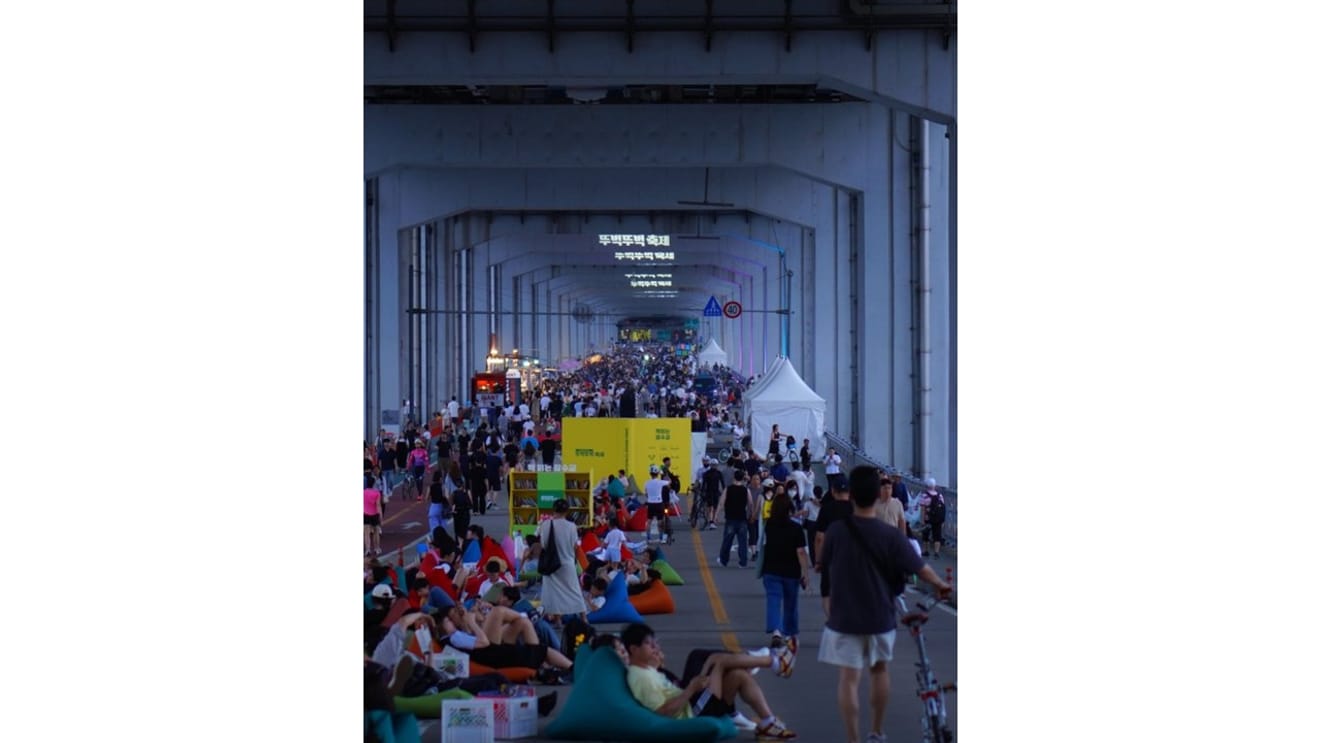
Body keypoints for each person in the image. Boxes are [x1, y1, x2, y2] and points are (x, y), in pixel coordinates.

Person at [818, 465, 953, 743]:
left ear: (852, 495)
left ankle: (853, 738)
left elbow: (824, 567)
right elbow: (921, 568)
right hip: (881, 615)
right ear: (879, 493)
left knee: (849, 678)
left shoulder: (837, 532)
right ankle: (877, 732)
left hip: (845, 617)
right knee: (879, 670)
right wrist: (941, 585)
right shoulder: (890, 536)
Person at [621, 623, 797, 739]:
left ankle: (768, 722)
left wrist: (660, 666)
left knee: (736, 674)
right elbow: (661, 713)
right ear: (634, 649)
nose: (655, 648)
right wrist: (691, 689)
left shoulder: (646, 669)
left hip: (691, 701)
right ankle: (772, 661)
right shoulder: (639, 677)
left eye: (655, 644)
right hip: (692, 712)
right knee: (717, 661)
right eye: (649, 645)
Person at [761, 491, 810, 653]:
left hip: (771, 570)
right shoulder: (796, 528)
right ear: (790, 508)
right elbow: (801, 552)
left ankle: (776, 631)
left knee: (773, 600)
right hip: (791, 572)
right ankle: (790, 634)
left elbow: (764, 546)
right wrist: (805, 574)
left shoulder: (769, 526)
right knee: (791, 603)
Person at [536, 499, 590, 624]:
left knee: (553, 593)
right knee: (575, 591)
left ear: (553, 509)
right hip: (567, 563)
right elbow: (575, 545)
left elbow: (543, 544)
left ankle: (558, 620)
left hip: (551, 564)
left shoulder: (545, 525)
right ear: (567, 511)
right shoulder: (571, 526)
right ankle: (583, 617)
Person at [813, 475, 854, 617]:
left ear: (832, 491)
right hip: (853, 559)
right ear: (849, 491)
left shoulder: (826, 509)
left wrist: (818, 561)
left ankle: (833, 622)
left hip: (830, 559)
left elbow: (819, 538)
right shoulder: (857, 509)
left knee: (827, 593)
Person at [715, 469, 752, 568]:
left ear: (734, 477)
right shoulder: (746, 490)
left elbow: (721, 503)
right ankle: (743, 562)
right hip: (742, 518)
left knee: (727, 541)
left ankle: (724, 561)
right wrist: (750, 515)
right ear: (743, 478)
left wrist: (716, 515)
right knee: (742, 542)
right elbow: (750, 504)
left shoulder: (728, 489)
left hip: (730, 518)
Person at [919, 477, 948, 560]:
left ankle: (926, 551)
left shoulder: (924, 495)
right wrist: (942, 520)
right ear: (935, 486)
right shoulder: (940, 496)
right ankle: (936, 552)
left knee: (926, 535)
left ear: (927, 485)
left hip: (928, 518)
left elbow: (923, 509)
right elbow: (942, 508)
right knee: (937, 535)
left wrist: (922, 520)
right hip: (938, 519)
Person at [643, 464, 666, 542]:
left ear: (650, 473)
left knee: (649, 521)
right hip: (659, 503)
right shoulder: (660, 482)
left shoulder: (646, 483)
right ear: (657, 474)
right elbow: (669, 482)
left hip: (650, 503)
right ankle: (661, 538)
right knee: (660, 520)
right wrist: (662, 474)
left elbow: (646, 494)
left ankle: (648, 538)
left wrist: (650, 497)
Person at [364, 475, 385, 557]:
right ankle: (377, 548)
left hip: (365, 514)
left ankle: (367, 549)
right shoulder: (376, 493)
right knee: (376, 532)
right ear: (373, 484)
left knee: (366, 533)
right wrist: (381, 515)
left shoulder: (363, 492)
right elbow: (378, 505)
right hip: (374, 514)